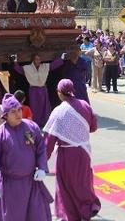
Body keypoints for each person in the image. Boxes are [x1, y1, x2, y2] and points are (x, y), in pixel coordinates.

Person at [0, 94, 53, 221]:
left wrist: (42, 167)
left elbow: (41, 148)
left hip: (32, 182)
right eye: (13, 111)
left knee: (37, 216)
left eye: (19, 110)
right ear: (5, 115)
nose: (18, 114)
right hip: (10, 186)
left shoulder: (31, 127)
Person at [44, 79, 101, 220]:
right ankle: (88, 208)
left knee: (66, 185)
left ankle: (70, 214)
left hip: (67, 154)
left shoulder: (58, 112)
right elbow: (93, 127)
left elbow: (49, 140)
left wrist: (42, 159)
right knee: (83, 181)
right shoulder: (85, 105)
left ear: (59, 93)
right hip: (84, 151)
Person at [12, 53, 63, 128]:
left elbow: (53, 66)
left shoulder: (44, 66)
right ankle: (36, 123)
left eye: (39, 59)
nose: (38, 61)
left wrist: (61, 58)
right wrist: (15, 62)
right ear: (33, 60)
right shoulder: (28, 68)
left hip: (42, 89)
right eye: (36, 59)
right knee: (35, 107)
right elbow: (20, 70)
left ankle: (45, 123)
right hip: (34, 90)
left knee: (44, 107)